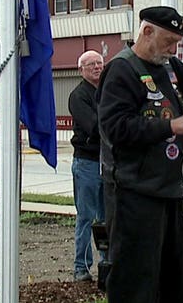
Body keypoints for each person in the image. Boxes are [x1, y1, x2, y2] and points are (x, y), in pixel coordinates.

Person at [97, 6, 183, 303]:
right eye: (169, 41)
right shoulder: (122, 70)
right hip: (134, 191)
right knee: (136, 277)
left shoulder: (167, 66)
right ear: (146, 32)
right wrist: (171, 125)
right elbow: (116, 128)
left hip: (168, 187)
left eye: (178, 43)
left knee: (173, 275)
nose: (173, 49)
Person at [68, 49, 106, 282]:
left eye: (99, 63)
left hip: (109, 163)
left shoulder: (107, 92)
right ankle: (81, 267)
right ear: (81, 69)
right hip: (87, 163)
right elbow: (94, 126)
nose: (96, 67)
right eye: (91, 64)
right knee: (86, 216)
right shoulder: (78, 95)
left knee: (106, 217)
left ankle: (107, 263)